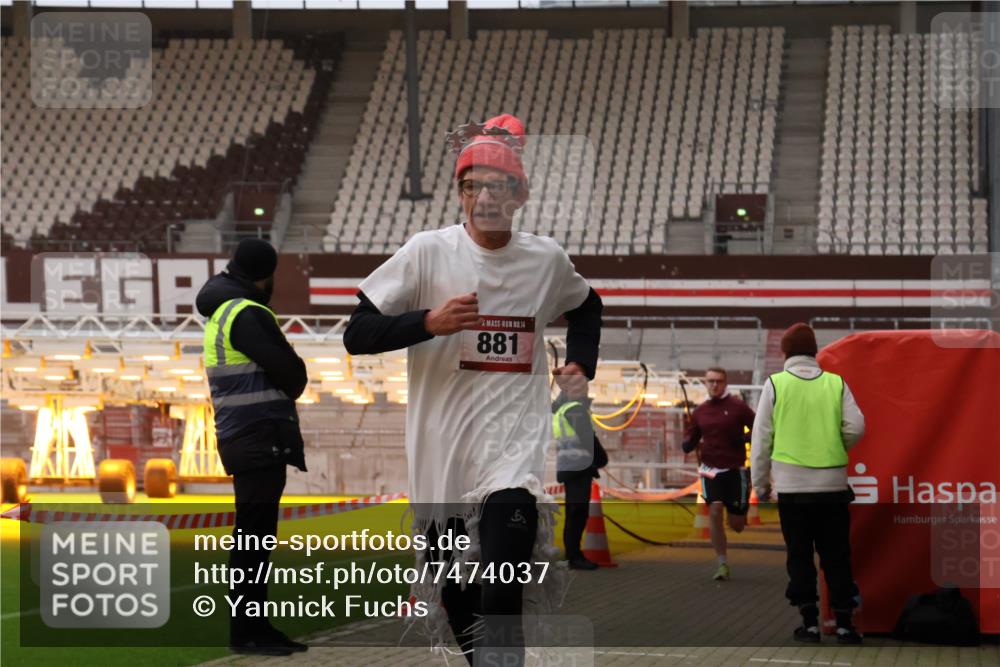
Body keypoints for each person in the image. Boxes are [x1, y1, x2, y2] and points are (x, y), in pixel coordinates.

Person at [343, 114, 602, 666]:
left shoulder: (545, 259)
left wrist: (580, 362)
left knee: (501, 585)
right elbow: (356, 334)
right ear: (459, 193)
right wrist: (427, 323)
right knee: (457, 596)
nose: (483, 197)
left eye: (497, 185)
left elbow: (587, 305)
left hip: (511, 461)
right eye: (471, 185)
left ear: (520, 193)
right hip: (441, 461)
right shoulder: (427, 253)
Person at [196, 238, 309, 656]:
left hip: (247, 436)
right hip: (258, 436)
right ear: (266, 276)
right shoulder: (247, 313)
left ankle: (254, 627)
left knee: (255, 539)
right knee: (253, 541)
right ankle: (247, 632)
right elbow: (293, 376)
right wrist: (294, 367)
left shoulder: (225, 310)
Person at [750, 322, 866, 645]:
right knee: (837, 555)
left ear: (784, 352)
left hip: (792, 489)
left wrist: (760, 486)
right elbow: (856, 426)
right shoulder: (836, 383)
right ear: (815, 351)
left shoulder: (775, 385)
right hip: (832, 487)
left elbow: (760, 440)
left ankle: (810, 623)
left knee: (799, 556)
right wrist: (835, 442)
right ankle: (844, 624)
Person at [681, 367, 755, 581]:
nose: (714, 385)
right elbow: (691, 435)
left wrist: (743, 439)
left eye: (718, 381)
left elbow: (760, 427)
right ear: (705, 383)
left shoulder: (738, 407)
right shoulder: (700, 411)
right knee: (714, 511)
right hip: (709, 469)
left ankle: (736, 515)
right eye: (710, 381)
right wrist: (688, 443)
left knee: (737, 525)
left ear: (725, 383)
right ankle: (722, 563)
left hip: (735, 470)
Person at [552, 388, 609, 570]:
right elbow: (588, 439)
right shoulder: (575, 409)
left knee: (573, 513)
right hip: (579, 466)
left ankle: (572, 554)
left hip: (568, 465)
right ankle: (574, 556)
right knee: (577, 513)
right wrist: (601, 458)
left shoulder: (561, 409)